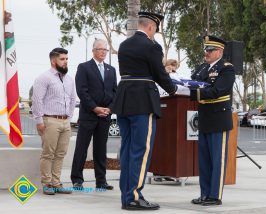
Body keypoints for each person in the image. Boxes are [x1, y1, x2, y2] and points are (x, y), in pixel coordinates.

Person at [112, 12, 177, 210]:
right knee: (141, 150)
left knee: (127, 149)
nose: (155, 32)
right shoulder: (151, 46)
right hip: (142, 101)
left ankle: (126, 194)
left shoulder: (124, 45)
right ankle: (133, 196)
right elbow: (159, 73)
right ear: (150, 27)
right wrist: (173, 88)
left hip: (124, 100)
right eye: (155, 29)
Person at [190, 35, 235, 206]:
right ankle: (204, 194)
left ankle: (214, 196)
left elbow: (219, 90)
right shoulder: (202, 68)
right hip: (204, 117)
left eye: (210, 50)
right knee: (204, 160)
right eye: (206, 50)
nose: (206, 53)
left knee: (217, 160)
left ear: (220, 52)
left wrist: (197, 92)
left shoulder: (227, 68)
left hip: (218, 117)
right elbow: (192, 83)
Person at [71, 39, 117, 191]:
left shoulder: (111, 70)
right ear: (94, 50)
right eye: (100, 49)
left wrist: (109, 109)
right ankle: (77, 180)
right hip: (88, 115)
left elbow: (114, 92)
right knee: (81, 148)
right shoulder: (84, 67)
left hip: (105, 116)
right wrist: (95, 108)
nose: (103, 52)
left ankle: (101, 181)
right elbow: (82, 91)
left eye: (105, 50)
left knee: (100, 149)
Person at [32, 47, 76, 195]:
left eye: (66, 59)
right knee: (48, 154)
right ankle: (47, 184)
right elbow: (37, 100)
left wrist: (69, 117)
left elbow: (72, 99)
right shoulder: (44, 78)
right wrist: (39, 121)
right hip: (50, 120)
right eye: (62, 59)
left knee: (60, 154)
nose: (65, 62)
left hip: (65, 122)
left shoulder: (69, 79)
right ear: (53, 61)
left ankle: (56, 183)